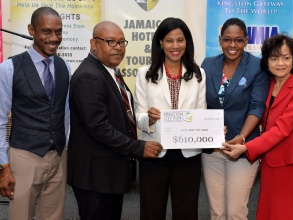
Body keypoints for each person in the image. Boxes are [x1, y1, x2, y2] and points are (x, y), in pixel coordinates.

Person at [68, 21, 162, 220]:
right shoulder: (88, 76)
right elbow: (98, 127)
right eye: (111, 42)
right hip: (95, 177)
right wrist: (138, 148)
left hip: (109, 173)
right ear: (94, 44)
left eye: (122, 42)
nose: (118, 47)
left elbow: (122, 116)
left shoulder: (110, 72)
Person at [222, 34, 293, 220]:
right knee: (272, 212)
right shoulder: (269, 84)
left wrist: (247, 147)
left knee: (292, 213)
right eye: (274, 58)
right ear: (267, 61)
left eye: (286, 57)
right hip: (270, 161)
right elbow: (255, 113)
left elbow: (282, 128)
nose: (280, 63)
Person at [0, 7, 70, 220]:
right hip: (24, 157)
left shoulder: (64, 66)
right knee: (21, 216)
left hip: (58, 157)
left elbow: (64, 113)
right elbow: (0, 120)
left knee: (54, 216)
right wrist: (4, 167)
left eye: (58, 32)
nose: (54, 38)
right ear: (32, 30)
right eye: (46, 31)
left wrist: (65, 147)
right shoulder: (9, 68)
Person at [134, 17, 206, 220]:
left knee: (186, 211)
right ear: (160, 43)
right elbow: (138, 114)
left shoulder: (199, 74)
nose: (175, 46)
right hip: (154, 152)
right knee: (152, 211)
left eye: (180, 40)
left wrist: (213, 130)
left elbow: (201, 113)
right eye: (169, 40)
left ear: (187, 42)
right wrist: (148, 118)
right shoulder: (145, 74)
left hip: (188, 155)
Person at [201, 17, 270, 220]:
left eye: (238, 40)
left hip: (242, 147)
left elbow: (257, 107)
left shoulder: (258, 67)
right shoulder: (208, 64)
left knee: (235, 212)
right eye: (227, 39)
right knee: (217, 211)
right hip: (212, 148)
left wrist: (241, 136)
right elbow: (199, 101)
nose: (232, 45)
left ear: (246, 40)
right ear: (220, 40)